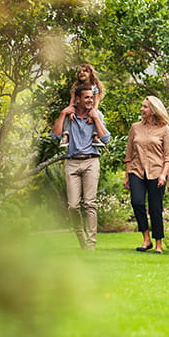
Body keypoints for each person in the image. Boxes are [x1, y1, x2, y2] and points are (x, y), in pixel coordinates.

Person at [52, 86, 110, 250]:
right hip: (72, 163)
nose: (90, 100)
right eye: (86, 98)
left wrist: (96, 119)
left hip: (91, 161)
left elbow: (106, 139)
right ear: (77, 99)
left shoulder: (96, 115)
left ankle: (91, 244)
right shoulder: (69, 117)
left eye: (91, 98)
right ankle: (81, 238)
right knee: (73, 206)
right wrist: (63, 113)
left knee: (90, 204)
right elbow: (55, 135)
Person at [124, 96, 169, 254]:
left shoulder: (165, 129)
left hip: (157, 172)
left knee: (155, 208)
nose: (141, 109)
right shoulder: (135, 127)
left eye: (145, 107)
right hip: (137, 170)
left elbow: (168, 156)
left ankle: (159, 243)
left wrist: (164, 175)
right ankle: (146, 239)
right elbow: (129, 153)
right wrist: (127, 175)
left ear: (153, 109)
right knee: (137, 202)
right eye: (142, 106)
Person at [61, 63, 106, 148]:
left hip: (90, 109)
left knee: (99, 115)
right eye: (79, 72)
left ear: (90, 73)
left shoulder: (94, 87)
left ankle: (95, 136)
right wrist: (71, 111)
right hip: (78, 109)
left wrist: (92, 115)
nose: (81, 73)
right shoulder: (76, 87)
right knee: (66, 113)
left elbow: (96, 103)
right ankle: (65, 136)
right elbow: (72, 101)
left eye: (85, 71)